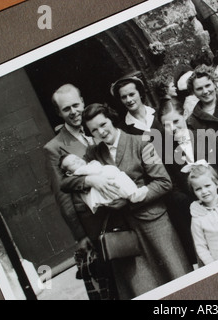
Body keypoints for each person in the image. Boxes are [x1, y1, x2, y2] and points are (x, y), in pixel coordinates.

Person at [61, 103, 192, 298]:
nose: (101, 132)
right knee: (143, 287)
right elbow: (66, 183)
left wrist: (130, 200)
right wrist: (89, 179)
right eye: (94, 130)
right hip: (123, 231)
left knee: (177, 278)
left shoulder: (140, 142)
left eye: (103, 124)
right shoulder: (93, 153)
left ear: (111, 119)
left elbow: (163, 183)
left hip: (154, 223)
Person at [157, 100, 218, 266]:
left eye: (176, 121)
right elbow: (172, 187)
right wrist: (197, 204)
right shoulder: (165, 152)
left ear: (185, 116)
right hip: (196, 214)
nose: (172, 128)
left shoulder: (206, 137)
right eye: (166, 125)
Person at [43, 84, 95, 248]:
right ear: (59, 113)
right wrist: (80, 235)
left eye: (75, 105)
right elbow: (63, 196)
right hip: (93, 219)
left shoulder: (98, 128)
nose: (73, 112)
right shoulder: (54, 148)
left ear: (82, 102)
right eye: (66, 109)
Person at [59, 153, 138, 214]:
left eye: (78, 158)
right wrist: (89, 180)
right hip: (104, 198)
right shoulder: (80, 171)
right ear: (69, 173)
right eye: (73, 163)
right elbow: (63, 183)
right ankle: (132, 194)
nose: (78, 161)